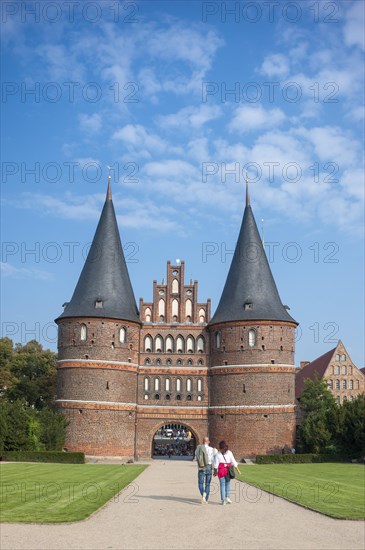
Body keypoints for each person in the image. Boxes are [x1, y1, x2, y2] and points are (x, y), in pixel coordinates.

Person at [213, 440, 241, 505]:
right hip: (228, 470)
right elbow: (234, 462)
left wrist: (215, 472)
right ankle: (227, 497)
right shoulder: (229, 452)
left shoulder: (218, 454)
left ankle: (223, 500)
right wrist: (238, 470)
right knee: (227, 484)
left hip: (221, 470)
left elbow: (215, 465)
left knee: (222, 485)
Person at [195, 437, 214, 504]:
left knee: (200, 483)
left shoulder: (199, 448)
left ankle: (203, 494)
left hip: (202, 467)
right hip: (209, 466)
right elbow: (213, 459)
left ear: (203, 441)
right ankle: (205, 499)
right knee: (208, 484)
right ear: (208, 441)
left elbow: (196, 456)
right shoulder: (211, 449)